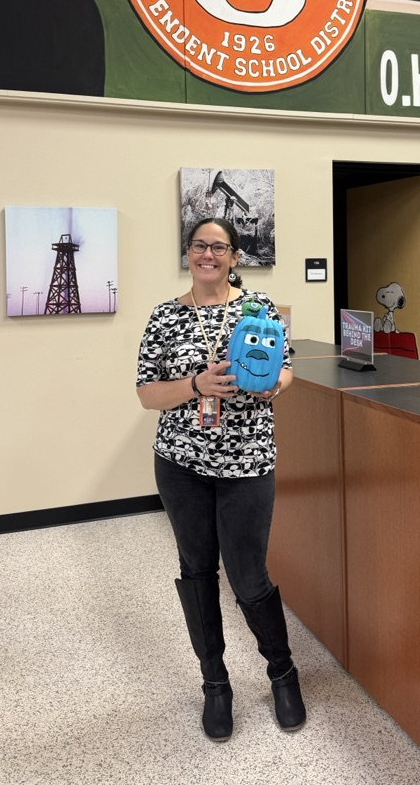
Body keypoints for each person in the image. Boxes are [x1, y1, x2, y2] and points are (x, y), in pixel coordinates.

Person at [136, 216, 305, 741]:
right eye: (199, 245)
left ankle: (282, 672)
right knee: (196, 571)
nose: (208, 254)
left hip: (247, 464)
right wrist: (195, 383)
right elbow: (146, 394)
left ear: (235, 257)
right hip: (181, 465)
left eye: (219, 247)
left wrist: (270, 384)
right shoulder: (165, 317)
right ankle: (215, 684)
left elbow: (287, 369)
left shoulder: (260, 310)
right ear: (188, 253)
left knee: (249, 574)